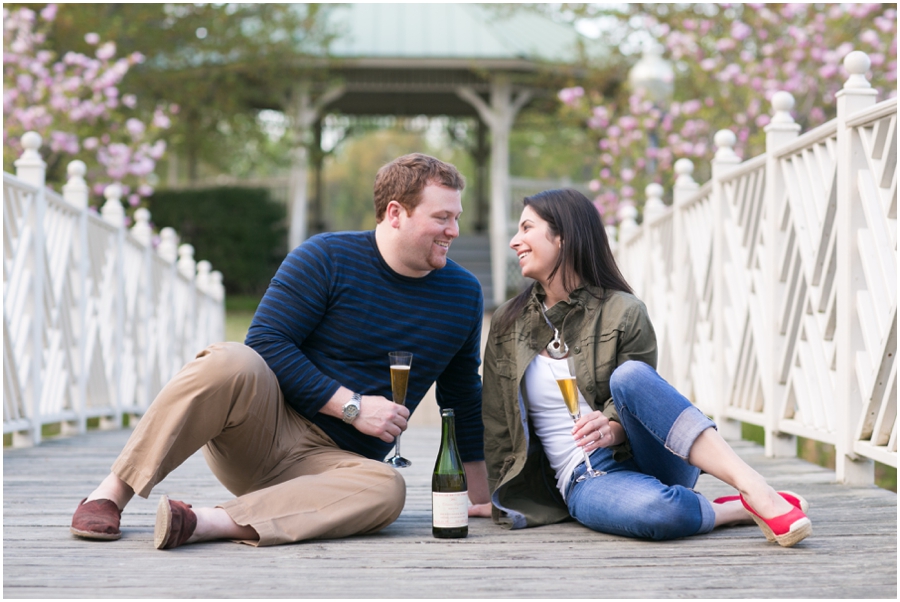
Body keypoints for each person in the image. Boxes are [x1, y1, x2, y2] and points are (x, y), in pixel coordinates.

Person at [70, 153, 491, 549]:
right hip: (259, 433)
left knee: (386, 487)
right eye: (442, 218)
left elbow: (461, 398)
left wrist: (480, 496)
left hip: (333, 470)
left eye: (455, 217)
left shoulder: (463, 294)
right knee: (231, 359)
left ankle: (203, 522)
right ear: (396, 213)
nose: (454, 230)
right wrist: (353, 407)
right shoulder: (326, 257)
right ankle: (110, 493)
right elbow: (267, 343)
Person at [481, 188, 812, 548]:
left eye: (527, 228)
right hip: (588, 477)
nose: (516, 241)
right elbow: (498, 423)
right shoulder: (507, 323)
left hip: (654, 456)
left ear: (563, 236)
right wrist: (498, 498)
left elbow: (639, 401)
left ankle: (754, 489)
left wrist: (611, 428)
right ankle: (733, 510)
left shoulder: (624, 310)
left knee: (631, 375)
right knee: (660, 511)